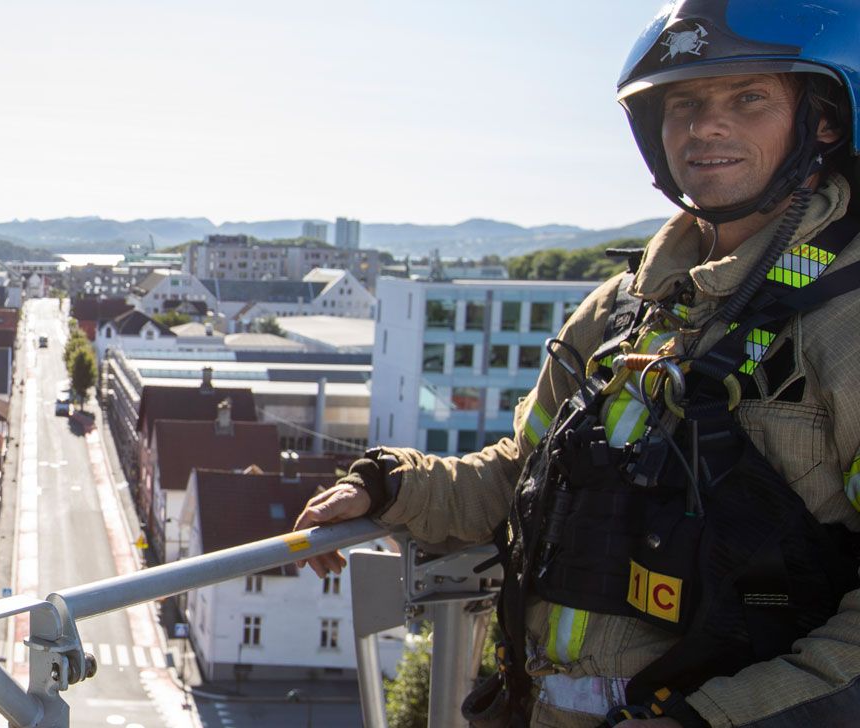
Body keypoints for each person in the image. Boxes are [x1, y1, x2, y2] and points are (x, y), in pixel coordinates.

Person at [291, 2, 860, 726]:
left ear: (824, 121)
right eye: (684, 102)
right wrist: (389, 484)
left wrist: (715, 718)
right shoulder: (622, 310)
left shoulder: (845, 326)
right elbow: (522, 475)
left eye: (748, 98)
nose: (705, 126)